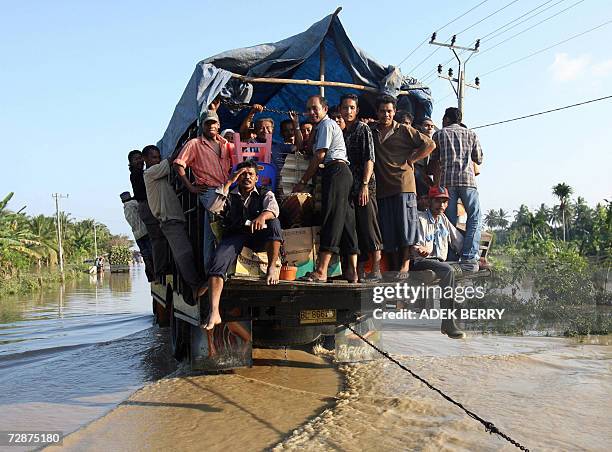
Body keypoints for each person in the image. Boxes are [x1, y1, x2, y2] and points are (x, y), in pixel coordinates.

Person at [203, 160, 283, 329]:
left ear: (256, 178)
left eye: (250, 174)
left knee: (274, 223)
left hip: (258, 236)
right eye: (242, 174)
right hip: (236, 235)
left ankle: (271, 268)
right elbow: (212, 207)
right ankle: (214, 312)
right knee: (217, 264)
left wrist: (262, 217)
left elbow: (274, 209)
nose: (247, 177)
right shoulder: (229, 193)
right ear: (237, 177)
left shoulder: (264, 193)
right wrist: (229, 182)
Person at [293, 95, 359, 283]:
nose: (312, 112)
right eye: (309, 109)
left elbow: (319, 156)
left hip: (336, 171)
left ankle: (321, 271)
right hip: (342, 173)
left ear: (325, 108)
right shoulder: (320, 128)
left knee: (331, 218)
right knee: (346, 221)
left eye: (315, 108)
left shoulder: (327, 125)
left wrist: (303, 181)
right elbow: (307, 149)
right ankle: (352, 272)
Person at [371, 95, 435, 280]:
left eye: (389, 111)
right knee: (389, 230)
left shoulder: (404, 130)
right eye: (382, 111)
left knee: (407, 228)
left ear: (394, 112)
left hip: (403, 185)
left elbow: (430, 144)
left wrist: (412, 159)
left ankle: (405, 265)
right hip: (383, 188)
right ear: (377, 112)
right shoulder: (373, 132)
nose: (386, 114)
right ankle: (392, 267)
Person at [142, 145, 207, 305]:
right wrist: (189, 145)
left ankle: (194, 286)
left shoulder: (160, 176)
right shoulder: (150, 173)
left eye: (158, 157)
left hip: (174, 219)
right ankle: (195, 286)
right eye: (153, 158)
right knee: (184, 254)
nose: (157, 160)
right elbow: (171, 160)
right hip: (169, 220)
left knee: (183, 255)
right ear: (145, 159)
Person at [173, 110, 233, 274]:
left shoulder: (226, 144)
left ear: (219, 125)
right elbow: (178, 164)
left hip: (226, 189)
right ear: (202, 126)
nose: (211, 126)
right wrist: (190, 186)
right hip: (210, 190)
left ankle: (214, 270)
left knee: (213, 230)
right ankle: (216, 272)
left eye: (214, 123)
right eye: (208, 123)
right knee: (218, 229)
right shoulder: (194, 144)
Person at [430, 107, 483, 272]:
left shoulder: (439, 135)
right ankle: (469, 257)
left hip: (448, 182)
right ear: (459, 120)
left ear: (446, 119)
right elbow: (479, 159)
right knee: (474, 217)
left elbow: (434, 160)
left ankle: (451, 257)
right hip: (467, 181)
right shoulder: (471, 134)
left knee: (449, 220)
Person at [339, 94, 383, 282]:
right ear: (340, 110)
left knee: (369, 226)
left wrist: (365, 185)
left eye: (351, 108)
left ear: (356, 110)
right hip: (349, 187)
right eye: (345, 108)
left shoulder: (362, 128)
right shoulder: (343, 133)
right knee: (353, 229)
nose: (348, 111)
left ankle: (376, 269)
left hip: (365, 186)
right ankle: (357, 270)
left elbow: (369, 159)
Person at [412, 186, 466, 339]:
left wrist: (473, 257)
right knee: (448, 270)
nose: (441, 205)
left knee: (461, 268)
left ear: (447, 204)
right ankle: (448, 323)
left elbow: (458, 241)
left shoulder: (443, 219)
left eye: (444, 202)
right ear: (429, 201)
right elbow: (413, 245)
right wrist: (419, 249)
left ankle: (454, 319)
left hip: (439, 263)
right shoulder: (420, 218)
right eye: (437, 201)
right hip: (422, 262)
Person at [128, 149, 168, 278]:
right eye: (136, 159)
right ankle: (159, 270)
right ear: (131, 163)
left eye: (140, 158)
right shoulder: (138, 174)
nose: (139, 161)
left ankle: (155, 271)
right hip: (147, 206)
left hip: (146, 208)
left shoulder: (140, 173)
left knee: (154, 242)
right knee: (156, 240)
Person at [120, 191, 154, 281]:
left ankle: (150, 276)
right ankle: (156, 273)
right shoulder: (134, 203)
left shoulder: (125, 209)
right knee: (151, 253)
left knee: (146, 256)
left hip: (137, 235)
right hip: (145, 231)